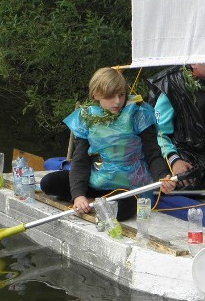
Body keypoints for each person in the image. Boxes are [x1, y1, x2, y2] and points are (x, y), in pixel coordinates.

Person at [40, 67, 176, 221]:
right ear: (96, 95)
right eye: (111, 96)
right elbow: (80, 160)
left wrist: (162, 176)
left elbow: (153, 153)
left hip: (129, 187)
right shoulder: (87, 117)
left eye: (121, 95)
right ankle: (91, 201)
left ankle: (96, 204)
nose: (117, 101)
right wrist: (78, 195)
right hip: (99, 180)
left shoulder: (139, 113)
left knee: (121, 209)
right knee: (48, 183)